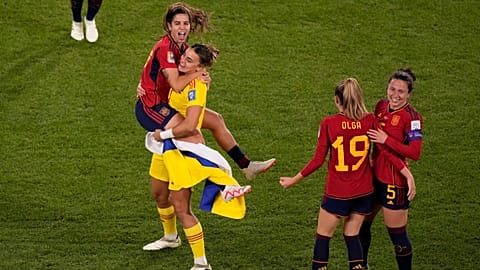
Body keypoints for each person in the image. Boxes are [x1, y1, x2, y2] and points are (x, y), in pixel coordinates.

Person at [135, 2, 274, 254]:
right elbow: (177, 84)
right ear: (168, 26)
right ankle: (224, 185)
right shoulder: (167, 48)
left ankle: (246, 166)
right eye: (177, 23)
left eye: (185, 23)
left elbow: (183, 76)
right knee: (192, 133)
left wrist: (201, 75)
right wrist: (199, 73)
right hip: (151, 108)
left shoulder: (184, 49)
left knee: (216, 120)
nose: (182, 27)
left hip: (166, 106)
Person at [150, 43, 247, 270]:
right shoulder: (179, 74)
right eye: (185, 55)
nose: (183, 60)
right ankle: (170, 238)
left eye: (190, 60)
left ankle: (201, 263)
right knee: (159, 194)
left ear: (200, 68)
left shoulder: (197, 85)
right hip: (166, 148)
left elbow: (190, 125)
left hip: (183, 150)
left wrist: (162, 134)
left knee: (181, 206)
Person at [279, 78, 376, 270]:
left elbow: (318, 160)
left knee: (323, 237)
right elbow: (378, 154)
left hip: (338, 193)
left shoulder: (329, 123)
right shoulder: (370, 120)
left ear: (337, 100)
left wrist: (293, 180)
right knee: (351, 235)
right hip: (364, 192)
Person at [359, 68, 422, 270]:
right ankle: (363, 265)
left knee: (397, 235)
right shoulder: (380, 106)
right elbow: (373, 140)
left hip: (394, 181)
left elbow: (414, 152)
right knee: (360, 225)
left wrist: (386, 140)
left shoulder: (412, 118)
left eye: (401, 91)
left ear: (409, 94)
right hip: (373, 176)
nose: (395, 95)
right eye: (392, 89)